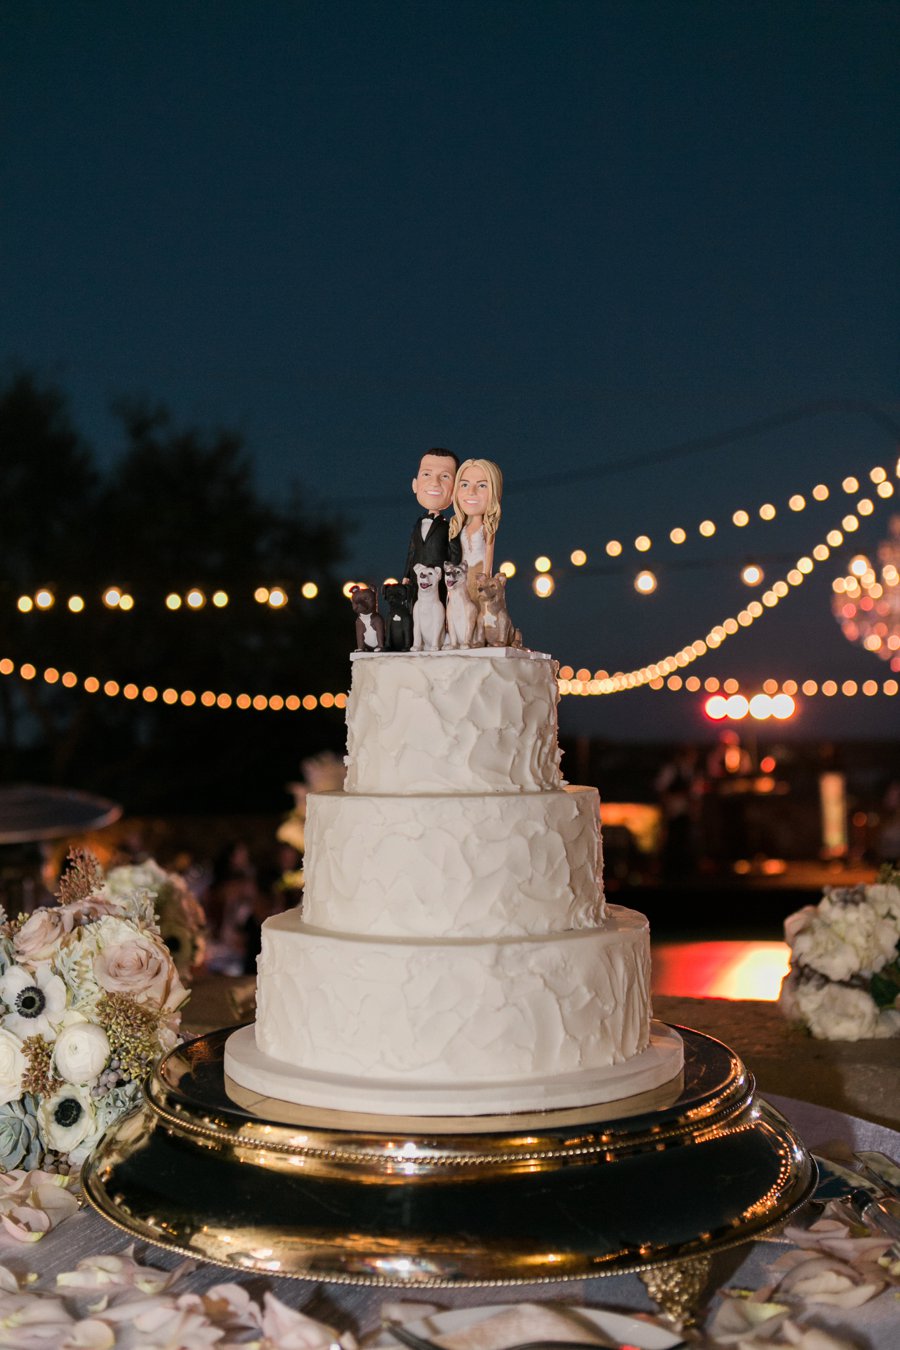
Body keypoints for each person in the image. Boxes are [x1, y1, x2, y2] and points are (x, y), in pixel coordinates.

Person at [403, 448, 461, 600]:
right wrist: (406, 575)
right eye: (427, 474)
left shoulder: (449, 527)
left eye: (445, 476)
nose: (435, 483)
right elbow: (411, 552)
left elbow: (454, 552)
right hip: (416, 580)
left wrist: (452, 576)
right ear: (414, 485)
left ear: (455, 490)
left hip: (439, 580)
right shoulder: (417, 524)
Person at [448, 458, 503, 600]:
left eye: (482, 486)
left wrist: (485, 577)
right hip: (461, 575)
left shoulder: (487, 527)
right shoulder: (460, 527)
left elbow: (489, 553)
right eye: (464, 484)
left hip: (478, 573)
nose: (471, 491)